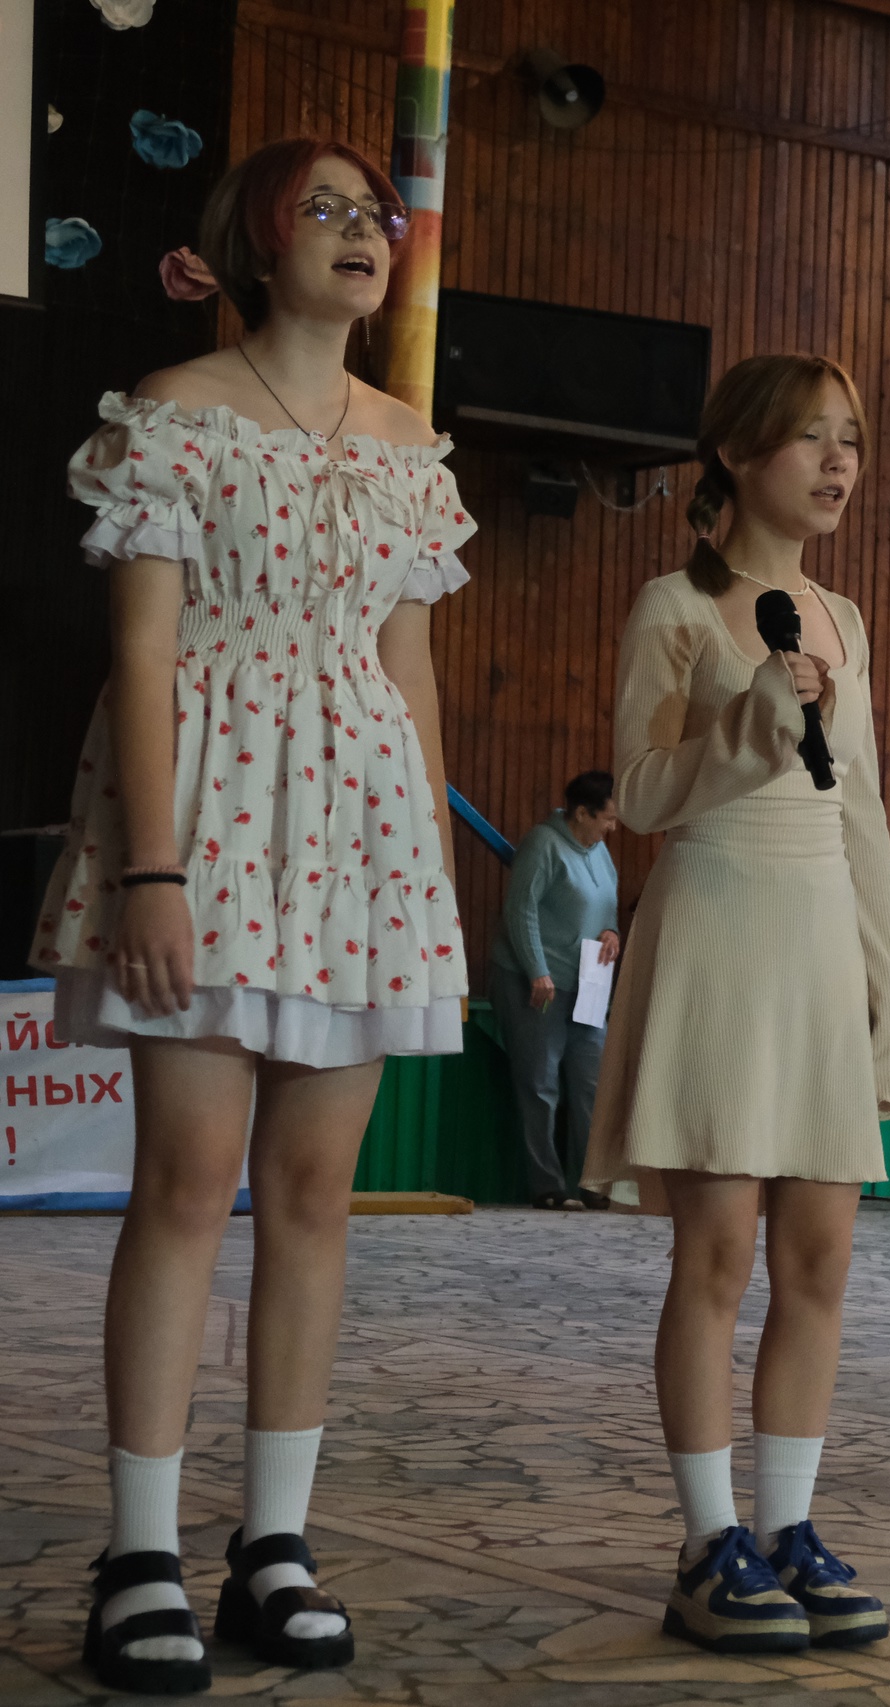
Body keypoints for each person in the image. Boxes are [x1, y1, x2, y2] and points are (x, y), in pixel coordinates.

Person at [28, 137, 473, 1693]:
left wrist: (425, 871)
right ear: (255, 242)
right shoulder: (174, 412)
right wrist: (151, 870)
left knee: (311, 1194)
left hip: (357, 835)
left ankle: (274, 1541)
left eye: (375, 214)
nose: (362, 233)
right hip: (207, 812)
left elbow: (409, 670)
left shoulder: (409, 443)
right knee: (183, 1180)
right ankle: (138, 1552)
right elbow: (143, 654)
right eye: (325, 210)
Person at [584, 354, 890, 1653]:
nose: (839, 463)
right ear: (733, 453)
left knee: (821, 1255)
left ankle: (788, 1528)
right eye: (810, 438)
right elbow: (642, 791)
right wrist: (754, 722)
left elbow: (862, 814)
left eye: (852, 439)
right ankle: (707, 1542)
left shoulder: (845, 616)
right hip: (720, 930)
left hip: (820, 943)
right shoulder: (674, 606)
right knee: (718, 1252)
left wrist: (889, 990)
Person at [491, 770, 621, 1211]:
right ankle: (546, 1185)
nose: (612, 827)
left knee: (591, 1083)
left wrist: (612, 931)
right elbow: (521, 909)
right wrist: (536, 970)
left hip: (587, 983)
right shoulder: (543, 844)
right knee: (540, 1083)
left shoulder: (598, 849)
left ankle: (592, 1181)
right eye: (606, 818)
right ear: (581, 813)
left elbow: (607, 903)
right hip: (538, 983)